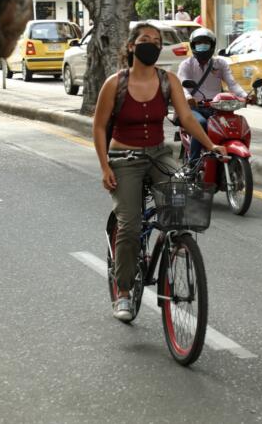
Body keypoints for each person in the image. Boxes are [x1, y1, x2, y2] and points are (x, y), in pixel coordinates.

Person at [92, 22, 227, 321]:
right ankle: (124, 292)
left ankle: (176, 245)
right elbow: (100, 127)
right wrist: (104, 166)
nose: (151, 44)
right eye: (144, 40)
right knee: (130, 225)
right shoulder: (115, 83)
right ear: (131, 46)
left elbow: (188, 119)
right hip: (123, 157)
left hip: (159, 154)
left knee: (182, 204)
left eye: (156, 40)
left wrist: (211, 146)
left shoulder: (168, 81)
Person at [177, 28, 250, 164]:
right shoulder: (186, 65)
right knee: (201, 124)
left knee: (232, 125)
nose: (203, 46)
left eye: (206, 43)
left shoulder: (220, 63)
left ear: (212, 45)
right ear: (193, 46)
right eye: (199, 43)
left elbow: (232, 84)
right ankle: (193, 163)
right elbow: (182, 87)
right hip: (194, 108)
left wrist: (245, 96)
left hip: (217, 107)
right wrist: (188, 98)